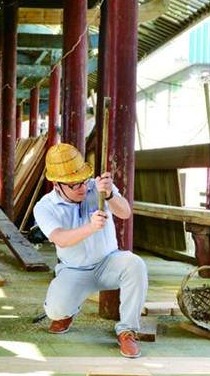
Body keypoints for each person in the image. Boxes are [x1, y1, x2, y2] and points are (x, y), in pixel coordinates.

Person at [33, 143, 148, 358]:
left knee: (135, 264)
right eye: (74, 185)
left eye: (84, 181)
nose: (83, 188)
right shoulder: (44, 206)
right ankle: (67, 312)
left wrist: (111, 195)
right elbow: (60, 238)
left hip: (108, 263)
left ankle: (127, 331)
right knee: (55, 310)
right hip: (74, 269)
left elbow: (125, 213)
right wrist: (90, 227)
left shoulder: (98, 188)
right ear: (57, 185)